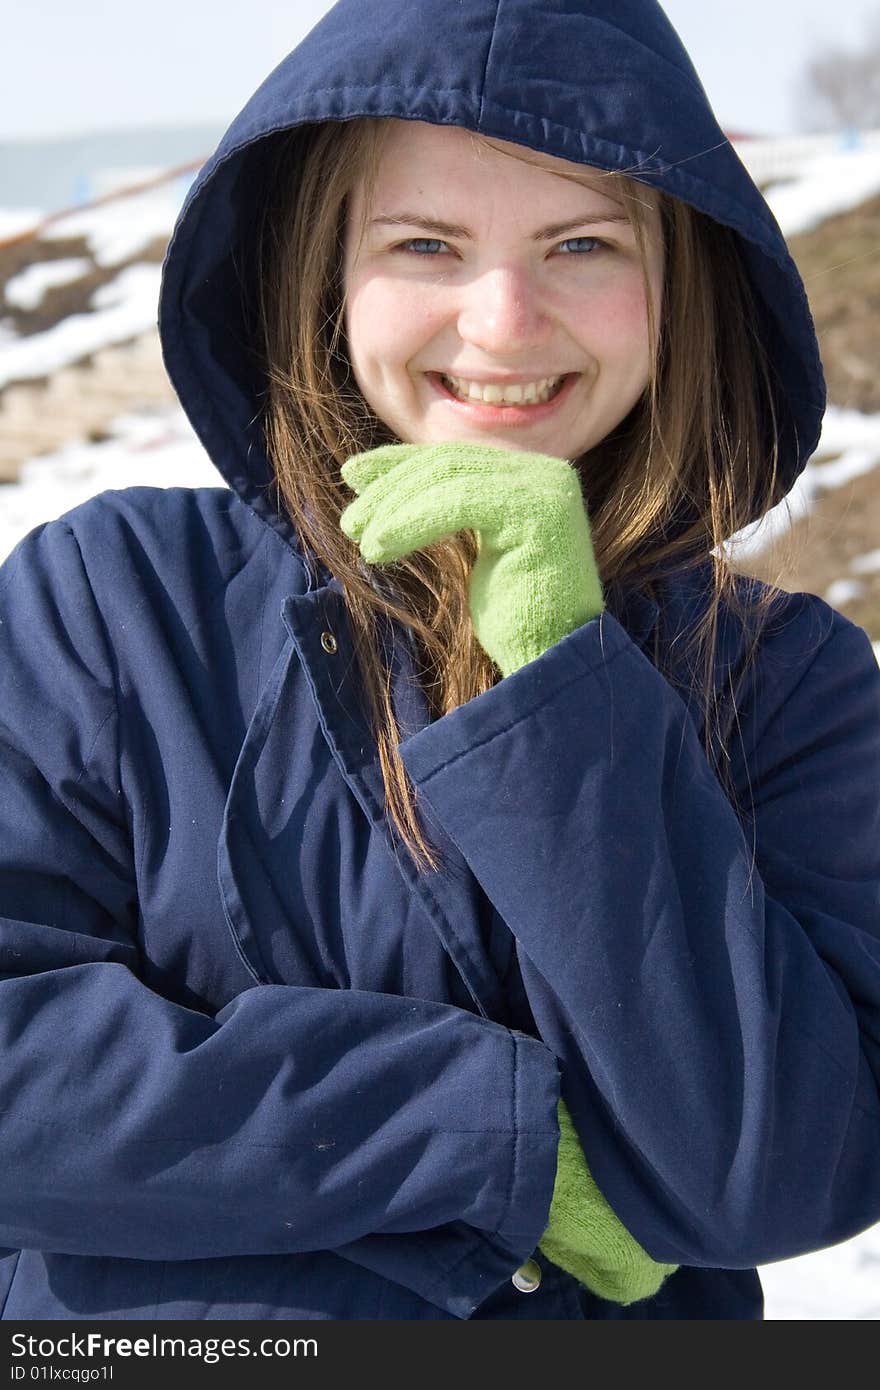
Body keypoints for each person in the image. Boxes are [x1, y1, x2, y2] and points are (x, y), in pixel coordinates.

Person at [1, 0, 879, 1324]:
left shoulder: (787, 682)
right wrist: (487, 1133)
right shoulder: (116, 601)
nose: (505, 321)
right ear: (324, 274)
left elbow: (780, 1168)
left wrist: (562, 682)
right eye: (427, 243)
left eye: (582, 242)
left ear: (680, 281)